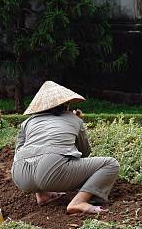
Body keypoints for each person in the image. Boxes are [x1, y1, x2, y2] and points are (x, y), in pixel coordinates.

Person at [11, 81, 119, 214]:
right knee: (111, 164)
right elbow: (84, 151)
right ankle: (79, 201)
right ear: (65, 104)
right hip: (52, 171)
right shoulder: (74, 119)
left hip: (20, 175)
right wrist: (76, 123)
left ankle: (42, 195)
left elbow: (19, 151)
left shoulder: (27, 122)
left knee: (36, 155)